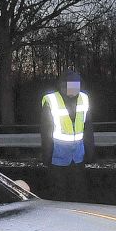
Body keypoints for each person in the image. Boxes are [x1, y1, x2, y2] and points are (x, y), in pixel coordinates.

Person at [41, 70, 95, 202]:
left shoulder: (84, 98)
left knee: (79, 191)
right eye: (70, 85)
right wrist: (47, 155)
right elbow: (46, 131)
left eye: (76, 85)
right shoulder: (51, 100)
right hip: (58, 155)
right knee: (59, 192)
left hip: (78, 155)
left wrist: (90, 152)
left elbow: (88, 128)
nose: (74, 89)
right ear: (62, 86)